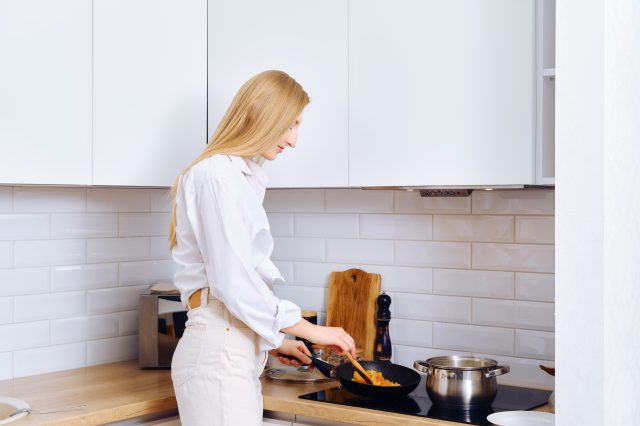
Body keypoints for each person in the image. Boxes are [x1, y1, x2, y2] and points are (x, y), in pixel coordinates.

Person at [168, 70, 356, 426]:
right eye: (290, 124)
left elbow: (232, 287)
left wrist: (274, 341)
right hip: (217, 353)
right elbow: (232, 282)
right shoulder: (217, 177)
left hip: (229, 349)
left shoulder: (238, 178)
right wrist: (312, 330)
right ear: (256, 111)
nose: (294, 140)